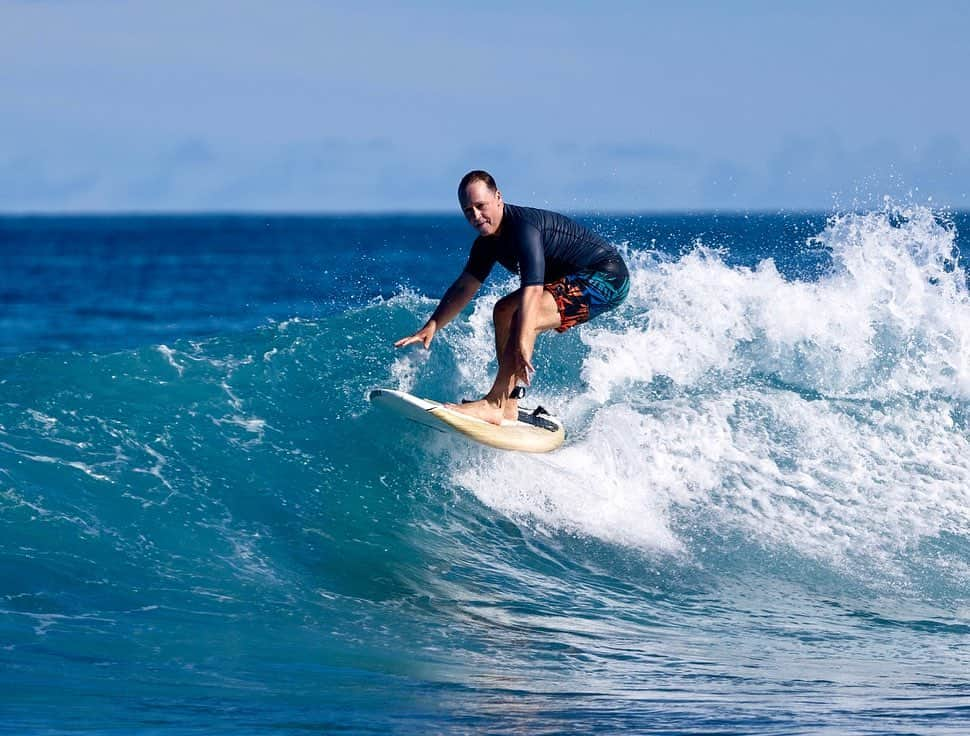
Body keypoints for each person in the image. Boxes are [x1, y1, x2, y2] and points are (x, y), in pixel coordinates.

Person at [395, 170, 629, 425]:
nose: (476, 216)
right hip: (572, 279)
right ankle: (509, 403)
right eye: (468, 211)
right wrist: (433, 324)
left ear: (498, 197)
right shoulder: (486, 243)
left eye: (480, 206)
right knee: (503, 311)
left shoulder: (523, 229)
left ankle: (496, 402)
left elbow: (533, 292)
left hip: (605, 278)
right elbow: (465, 286)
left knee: (524, 319)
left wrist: (524, 339)